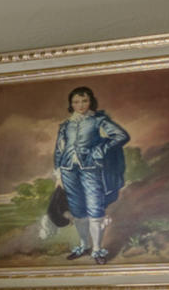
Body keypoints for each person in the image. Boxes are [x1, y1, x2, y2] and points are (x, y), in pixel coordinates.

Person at [53, 85, 133, 263]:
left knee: (95, 207)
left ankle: (97, 250)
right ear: (71, 104)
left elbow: (121, 135)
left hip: (91, 169)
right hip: (68, 170)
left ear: (90, 102)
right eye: (76, 102)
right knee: (77, 210)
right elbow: (59, 150)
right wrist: (58, 174)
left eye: (84, 101)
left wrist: (100, 149)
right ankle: (83, 246)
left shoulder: (98, 120)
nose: (80, 105)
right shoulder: (65, 125)